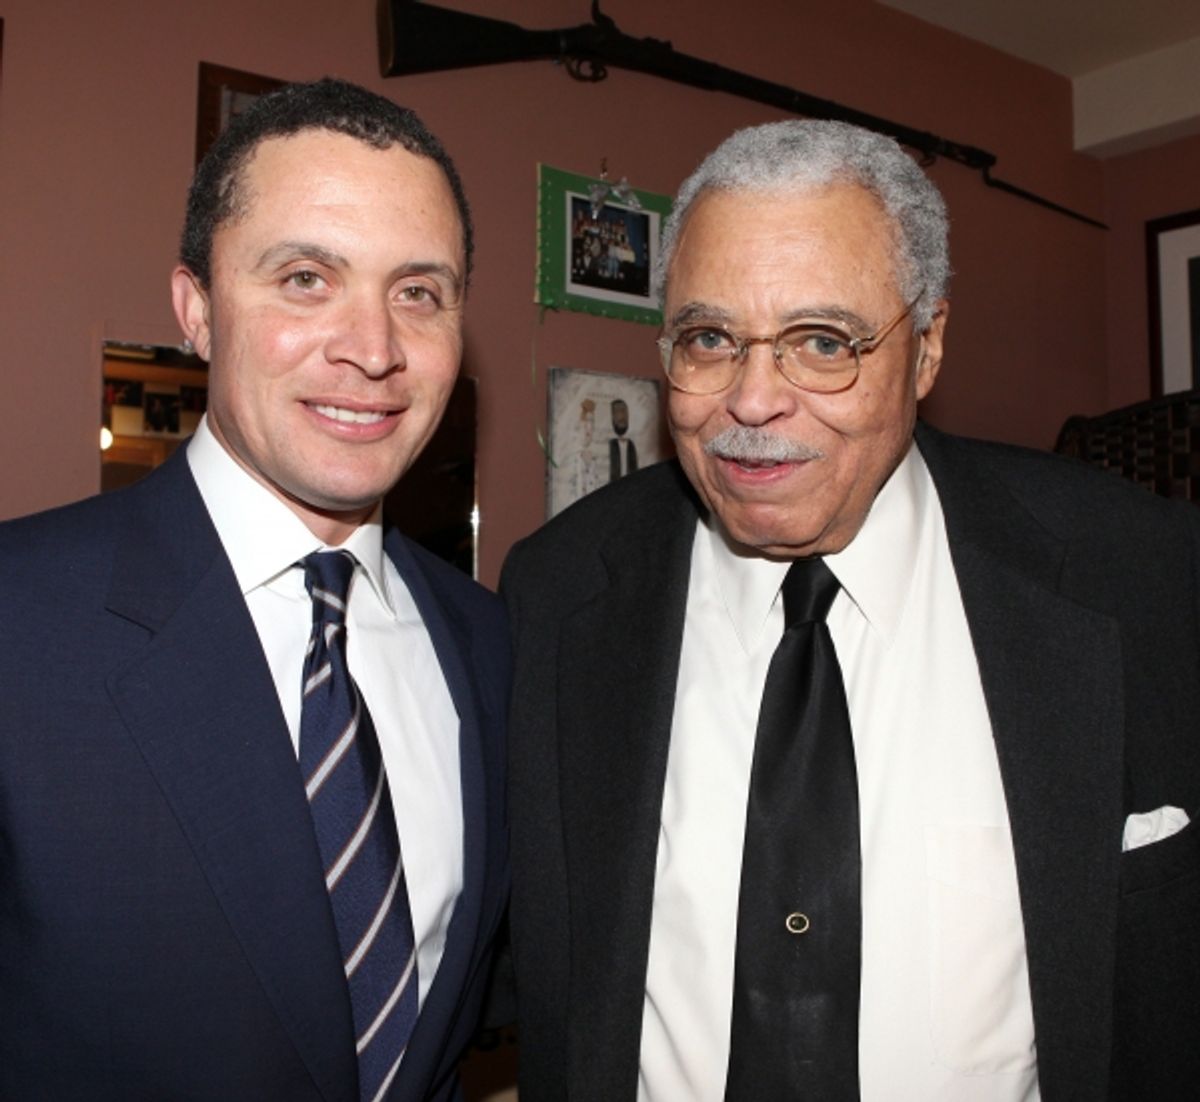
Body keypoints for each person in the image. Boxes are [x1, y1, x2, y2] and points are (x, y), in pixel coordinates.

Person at [501, 119, 1200, 1100]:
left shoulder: (1142, 578)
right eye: (709, 339)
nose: (750, 401)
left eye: (821, 342)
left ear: (926, 349)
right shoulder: (556, 595)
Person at [0, 79, 509, 1102]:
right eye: (308, 277)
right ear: (196, 308)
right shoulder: (19, 622)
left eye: (420, 292)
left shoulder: (491, 643)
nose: (373, 348)